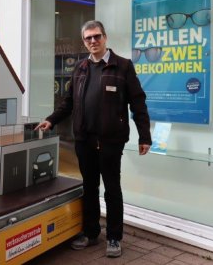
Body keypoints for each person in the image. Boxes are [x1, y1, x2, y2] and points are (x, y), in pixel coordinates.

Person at [34, 20, 151, 258]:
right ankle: (90, 232)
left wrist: (144, 136)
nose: (93, 41)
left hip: (111, 140)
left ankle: (115, 237)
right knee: (89, 187)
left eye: (97, 36)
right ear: (84, 42)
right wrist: (51, 120)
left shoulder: (123, 66)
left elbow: (138, 103)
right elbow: (68, 102)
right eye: (88, 38)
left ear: (105, 37)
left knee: (112, 189)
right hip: (84, 140)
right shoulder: (81, 67)